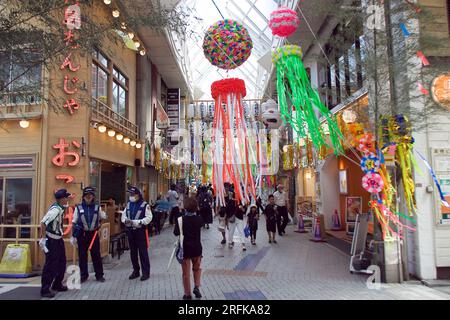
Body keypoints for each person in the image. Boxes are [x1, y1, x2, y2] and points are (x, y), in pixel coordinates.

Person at [71, 187, 107, 283]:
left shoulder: (97, 207)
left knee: (96, 255)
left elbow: (103, 217)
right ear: (83, 197)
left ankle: (99, 275)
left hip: (94, 234)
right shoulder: (78, 208)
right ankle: (83, 276)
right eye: (87, 195)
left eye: (90, 195)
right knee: (82, 256)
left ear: (93, 197)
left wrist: (102, 219)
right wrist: (73, 236)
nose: (89, 197)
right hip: (82, 235)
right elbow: (74, 222)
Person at [40, 189, 72, 298]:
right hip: (52, 240)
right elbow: (43, 223)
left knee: (62, 262)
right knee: (51, 265)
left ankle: (57, 284)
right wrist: (43, 238)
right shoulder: (55, 210)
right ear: (61, 199)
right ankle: (45, 289)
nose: (67, 199)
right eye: (66, 197)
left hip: (58, 239)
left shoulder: (60, 208)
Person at [173, 197, 204, 300]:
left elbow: (176, 233)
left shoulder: (181, 219)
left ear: (185, 207)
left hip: (185, 250)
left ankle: (187, 294)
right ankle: (197, 286)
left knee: (186, 273)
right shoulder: (199, 219)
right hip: (197, 249)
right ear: (196, 208)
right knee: (197, 269)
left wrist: (180, 213)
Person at [121, 186, 153, 281]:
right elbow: (124, 215)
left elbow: (149, 217)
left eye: (133, 194)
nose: (131, 196)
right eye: (130, 194)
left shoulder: (145, 205)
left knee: (143, 253)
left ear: (138, 195)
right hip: (131, 231)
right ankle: (136, 271)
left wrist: (140, 222)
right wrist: (125, 220)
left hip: (140, 231)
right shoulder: (129, 204)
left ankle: (146, 273)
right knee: (133, 253)